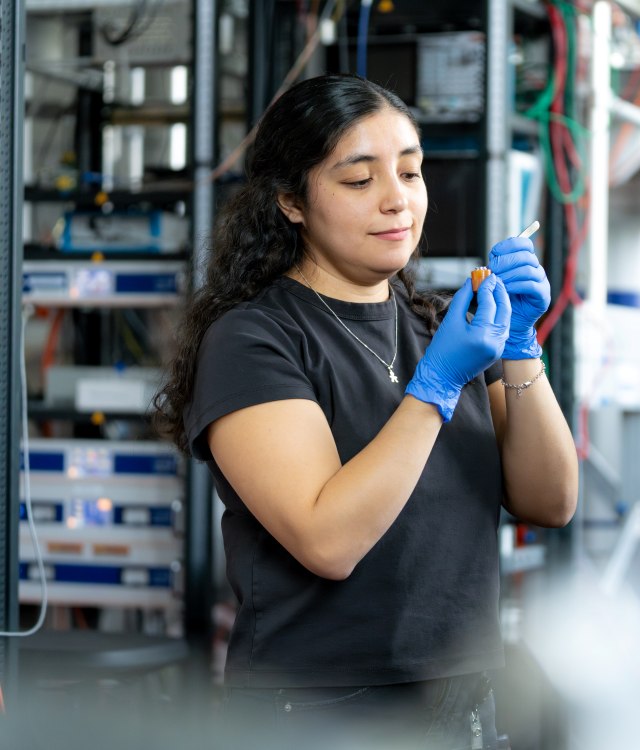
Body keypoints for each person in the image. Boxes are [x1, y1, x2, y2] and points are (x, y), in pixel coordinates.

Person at [154, 74, 578, 749]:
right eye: (359, 180)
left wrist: (522, 348)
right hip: (319, 710)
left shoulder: (440, 324)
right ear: (291, 201)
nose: (396, 199)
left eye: (410, 172)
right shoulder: (254, 339)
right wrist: (435, 387)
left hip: (462, 698)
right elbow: (328, 542)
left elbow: (550, 500)